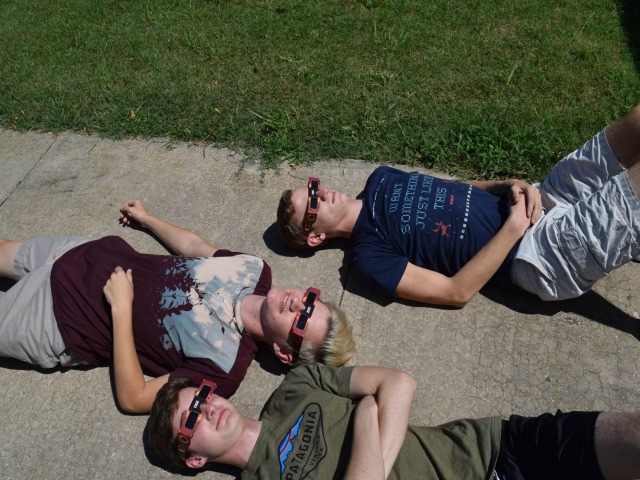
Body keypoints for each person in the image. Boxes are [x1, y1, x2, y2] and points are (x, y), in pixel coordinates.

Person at [0, 200, 355, 413]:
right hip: (83, 254)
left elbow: (134, 398)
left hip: (58, 319)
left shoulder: (223, 368)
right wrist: (148, 218)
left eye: (300, 322)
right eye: (309, 301)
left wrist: (121, 309)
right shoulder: (255, 268)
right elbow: (194, 246)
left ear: (283, 352)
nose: (296, 304)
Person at [277, 106, 640, 307]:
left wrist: (505, 184)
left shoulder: (380, 178)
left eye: (313, 187)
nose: (321, 194)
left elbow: (455, 189)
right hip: (535, 254)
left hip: (539, 198)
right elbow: (455, 293)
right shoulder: (368, 258)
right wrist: (513, 227)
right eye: (312, 205)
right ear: (315, 237)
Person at [147, 364, 640, 479]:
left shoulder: (297, 385)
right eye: (193, 419)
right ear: (193, 458)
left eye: (202, 397)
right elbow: (379, 398)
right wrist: (366, 412)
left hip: (488, 448)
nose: (207, 407)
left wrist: (369, 468)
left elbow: (399, 383)